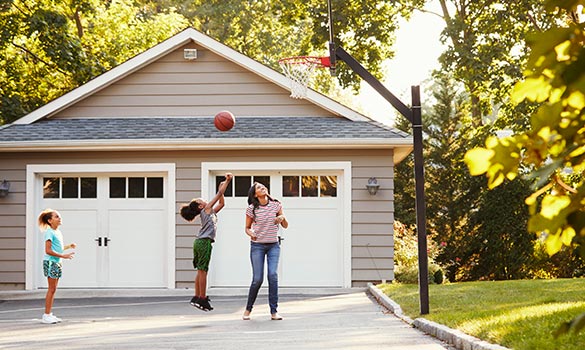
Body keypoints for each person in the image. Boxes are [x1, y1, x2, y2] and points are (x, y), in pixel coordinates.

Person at [180, 172, 233, 311]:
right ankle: (202, 299)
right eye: (201, 200)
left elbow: (222, 203)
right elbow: (219, 194)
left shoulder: (210, 212)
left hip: (200, 242)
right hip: (204, 242)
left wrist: (221, 189)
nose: (204, 200)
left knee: (200, 270)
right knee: (203, 270)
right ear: (200, 206)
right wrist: (227, 181)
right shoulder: (206, 209)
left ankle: (197, 296)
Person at [242, 181, 288, 321]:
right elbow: (247, 228)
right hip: (257, 246)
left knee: (273, 276)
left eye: (263, 186)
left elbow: (285, 225)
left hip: (273, 245)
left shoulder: (276, 204)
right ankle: (248, 309)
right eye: (259, 188)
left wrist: (282, 218)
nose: (263, 188)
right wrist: (251, 234)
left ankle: (274, 312)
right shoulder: (252, 209)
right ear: (255, 194)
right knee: (257, 279)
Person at [38, 209, 76, 324]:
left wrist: (69, 246)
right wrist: (63, 256)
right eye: (56, 217)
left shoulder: (57, 232)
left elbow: (57, 248)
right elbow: (48, 250)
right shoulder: (49, 232)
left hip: (57, 262)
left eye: (59, 216)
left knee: (53, 289)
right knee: (51, 289)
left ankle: (49, 314)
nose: (59, 218)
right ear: (50, 221)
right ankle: (46, 315)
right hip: (51, 263)